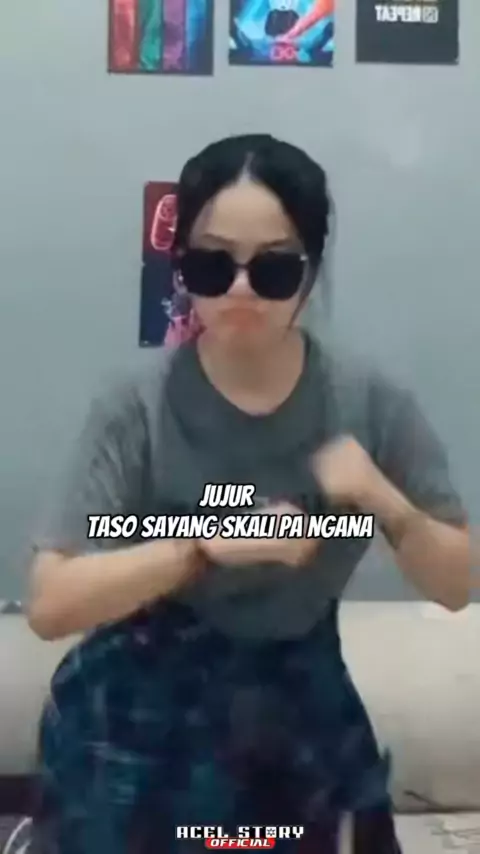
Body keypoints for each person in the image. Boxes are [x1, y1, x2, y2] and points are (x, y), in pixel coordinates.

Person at [27, 134, 469, 854]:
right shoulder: (135, 406)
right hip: (139, 720)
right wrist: (201, 546)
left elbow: (457, 585)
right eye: (212, 265)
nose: (238, 291)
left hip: (298, 721)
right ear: (181, 266)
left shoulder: (367, 401)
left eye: (272, 269)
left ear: (310, 272)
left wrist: (386, 501)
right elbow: (50, 603)